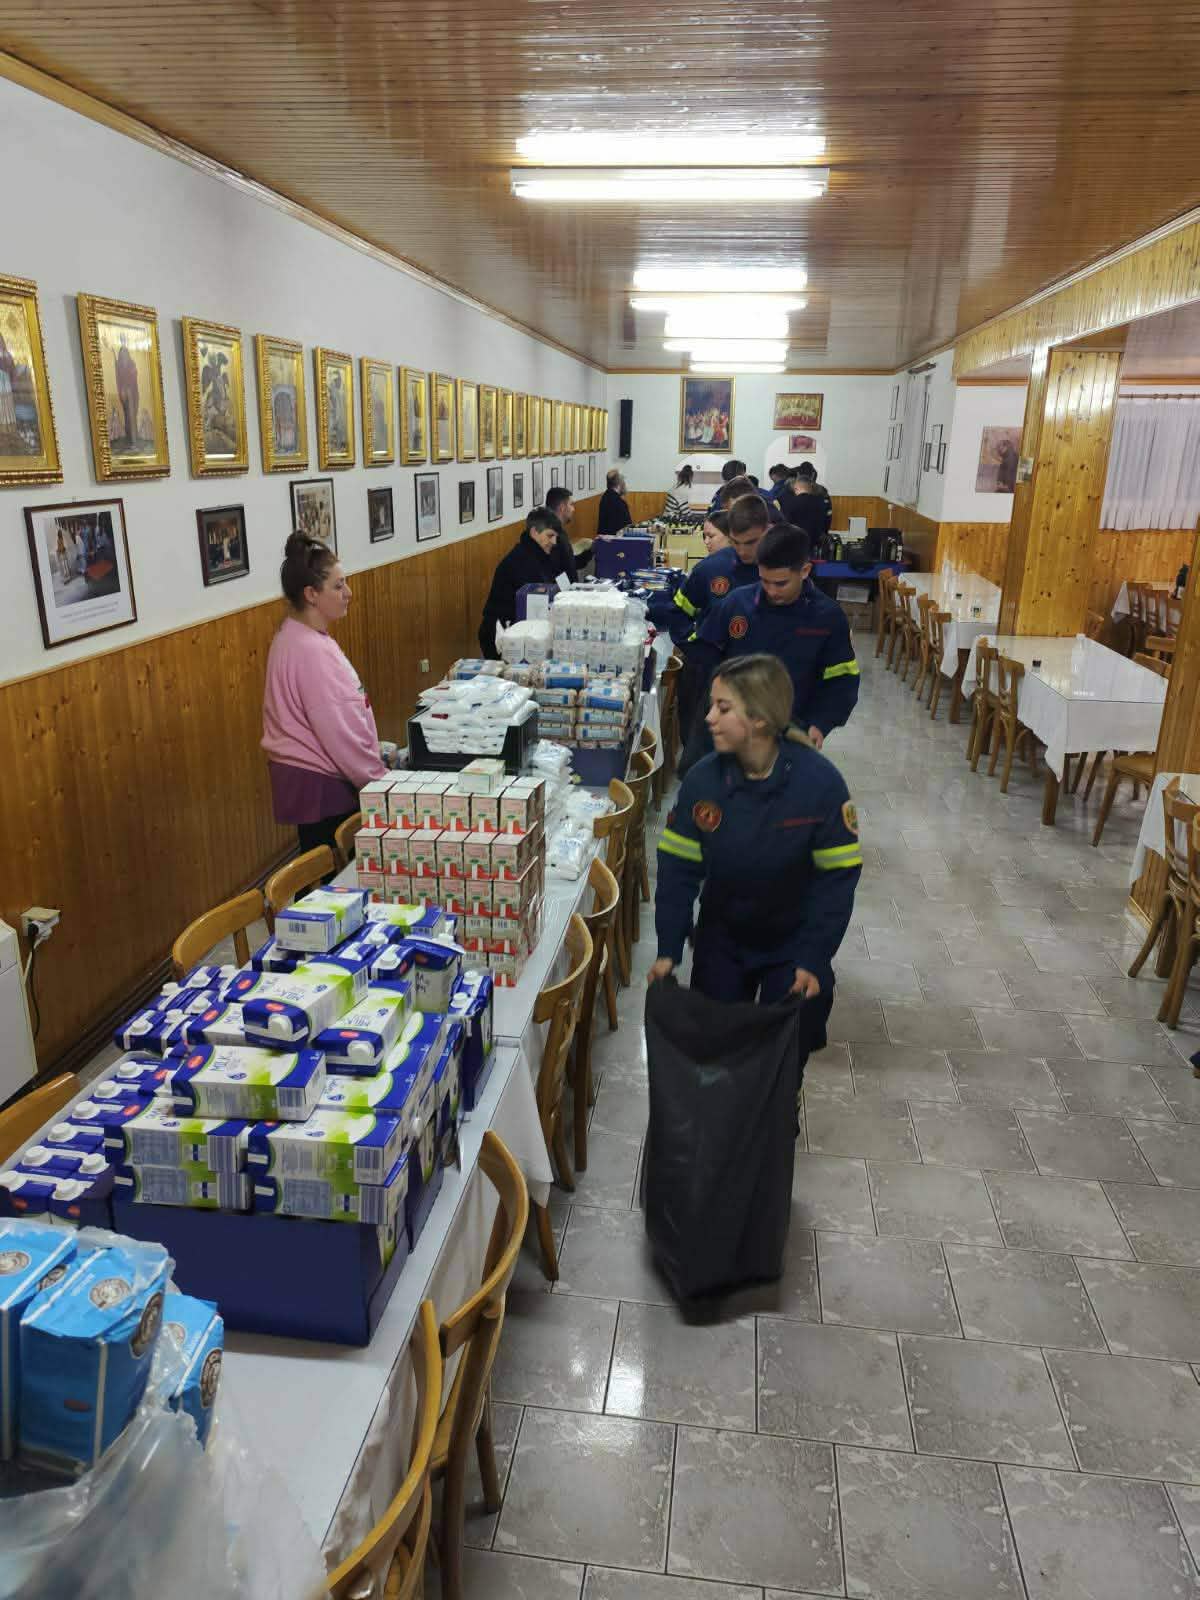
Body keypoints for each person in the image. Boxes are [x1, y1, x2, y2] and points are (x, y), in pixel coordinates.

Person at [649, 651, 861, 1022]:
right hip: (723, 936)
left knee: (786, 1043)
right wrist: (669, 946)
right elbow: (678, 868)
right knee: (716, 1040)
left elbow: (837, 881)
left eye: (723, 708)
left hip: (794, 941)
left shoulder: (820, 785)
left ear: (760, 718)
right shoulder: (703, 782)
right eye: (711, 705)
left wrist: (814, 956)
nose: (709, 717)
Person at [682, 522, 860, 773]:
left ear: (805, 570)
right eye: (764, 581)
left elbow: (842, 680)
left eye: (781, 583)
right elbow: (705, 656)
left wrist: (820, 723)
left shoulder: (827, 617)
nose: (771, 591)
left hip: (791, 731)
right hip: (731, 727)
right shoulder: (737, 604)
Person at [262, 534, 387, 855]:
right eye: (338, 586)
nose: (349, 593)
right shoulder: (311, 650)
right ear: (311, 594)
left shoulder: (292, 634)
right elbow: (339, 732)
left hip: (309, 780)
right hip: (322, 785)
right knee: (337, 876)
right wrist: (379, 780)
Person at [478, 507, 571, 658]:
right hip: (501, 636)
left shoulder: (541, 555)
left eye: (555, 537)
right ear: (534, 532)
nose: (554, 542)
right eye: (550, 536)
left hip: (519, 632)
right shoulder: (521, 561)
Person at [777, 474, 827, 541]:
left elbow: (786, 523)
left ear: (796, 488)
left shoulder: (791, 502)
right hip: (815, 540)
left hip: (796, 540)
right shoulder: (820, 502)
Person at [544, 485, 579, 579]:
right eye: (571, 504)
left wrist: (591, 551)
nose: (573, 509)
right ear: (562, 507)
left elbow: (568, 563)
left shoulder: (558, 530)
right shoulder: (551, 535)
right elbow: (556, 573)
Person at [795, 462, 833, 532]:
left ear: (798, 474)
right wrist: (825, 532)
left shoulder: (795, 489)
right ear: (813, 474)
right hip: (818, 532)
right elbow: (828, 514)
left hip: (798, 532)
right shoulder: (822, 491)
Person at [597, 468, 633, 536]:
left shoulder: (605, 496)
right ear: (619, 484)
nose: (625, 484)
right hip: (615, 539)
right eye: (623, 481)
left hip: (604, 538)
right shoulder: (619, 502)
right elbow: (627, 528)